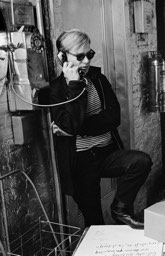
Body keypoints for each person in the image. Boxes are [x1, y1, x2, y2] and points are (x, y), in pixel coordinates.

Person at [50, 29, 152, 229]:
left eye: (89, 54)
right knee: (95, 223)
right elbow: (70, 124)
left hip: (106, 153)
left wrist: (80, 127)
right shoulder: (57, 90)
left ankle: (120, 208)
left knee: (141, 161)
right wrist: (75, 85)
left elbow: (114, 116)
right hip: (81, 162)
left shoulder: (97, 78)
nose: (86, 61)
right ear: (62, 57)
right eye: (80, 56)